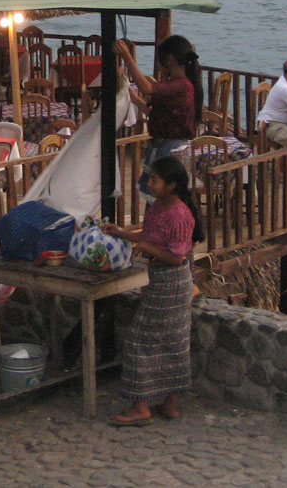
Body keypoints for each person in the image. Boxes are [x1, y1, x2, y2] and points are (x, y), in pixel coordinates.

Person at [101, 155, 202, 426]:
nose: (149, 183)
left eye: (155, 180)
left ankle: (141, 407)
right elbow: (149, 236)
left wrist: (146, 249)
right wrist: (121, 233)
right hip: (160, 278)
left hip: (172, 282)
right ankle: (169, 403)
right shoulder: (157, 207)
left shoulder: (179, 214)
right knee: (172, 341)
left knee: (138, 340)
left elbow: (176, 257)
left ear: (171, 185)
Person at [115, 35, 203, 189]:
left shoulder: (182, 85)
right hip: (162, 145)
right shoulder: (178, 84)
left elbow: (147, 88)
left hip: (171, 149)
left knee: (161, 193)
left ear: (169, 59)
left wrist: (127, 56)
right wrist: (136, 100)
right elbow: (159, 114)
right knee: (155, 193)